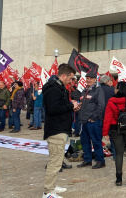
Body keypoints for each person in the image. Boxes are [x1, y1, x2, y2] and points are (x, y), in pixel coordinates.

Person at [42, 64, 79, 198]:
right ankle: (48, 192)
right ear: (63, 75)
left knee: (57, 161)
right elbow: (53, 109)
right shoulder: (53, 89)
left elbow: (58, 106)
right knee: (55, 162)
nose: (71, 81)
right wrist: (70, 105)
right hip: (56, 130)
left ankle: (52, 186)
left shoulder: (59, 88)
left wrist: (71, 106)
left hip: (60, 129)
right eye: (70, 78)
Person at [77, 71, 106, 169]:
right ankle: (87, 160)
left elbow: (101, 105)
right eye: (87, 78)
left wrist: (94, 117)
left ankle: (100, 161)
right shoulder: (84, 90)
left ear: (95, 79)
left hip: (93, 121)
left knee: (96, 141)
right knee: (84, 141)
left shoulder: (98, 90)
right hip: (83, 121)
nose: (88, 80)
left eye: (91, 78)